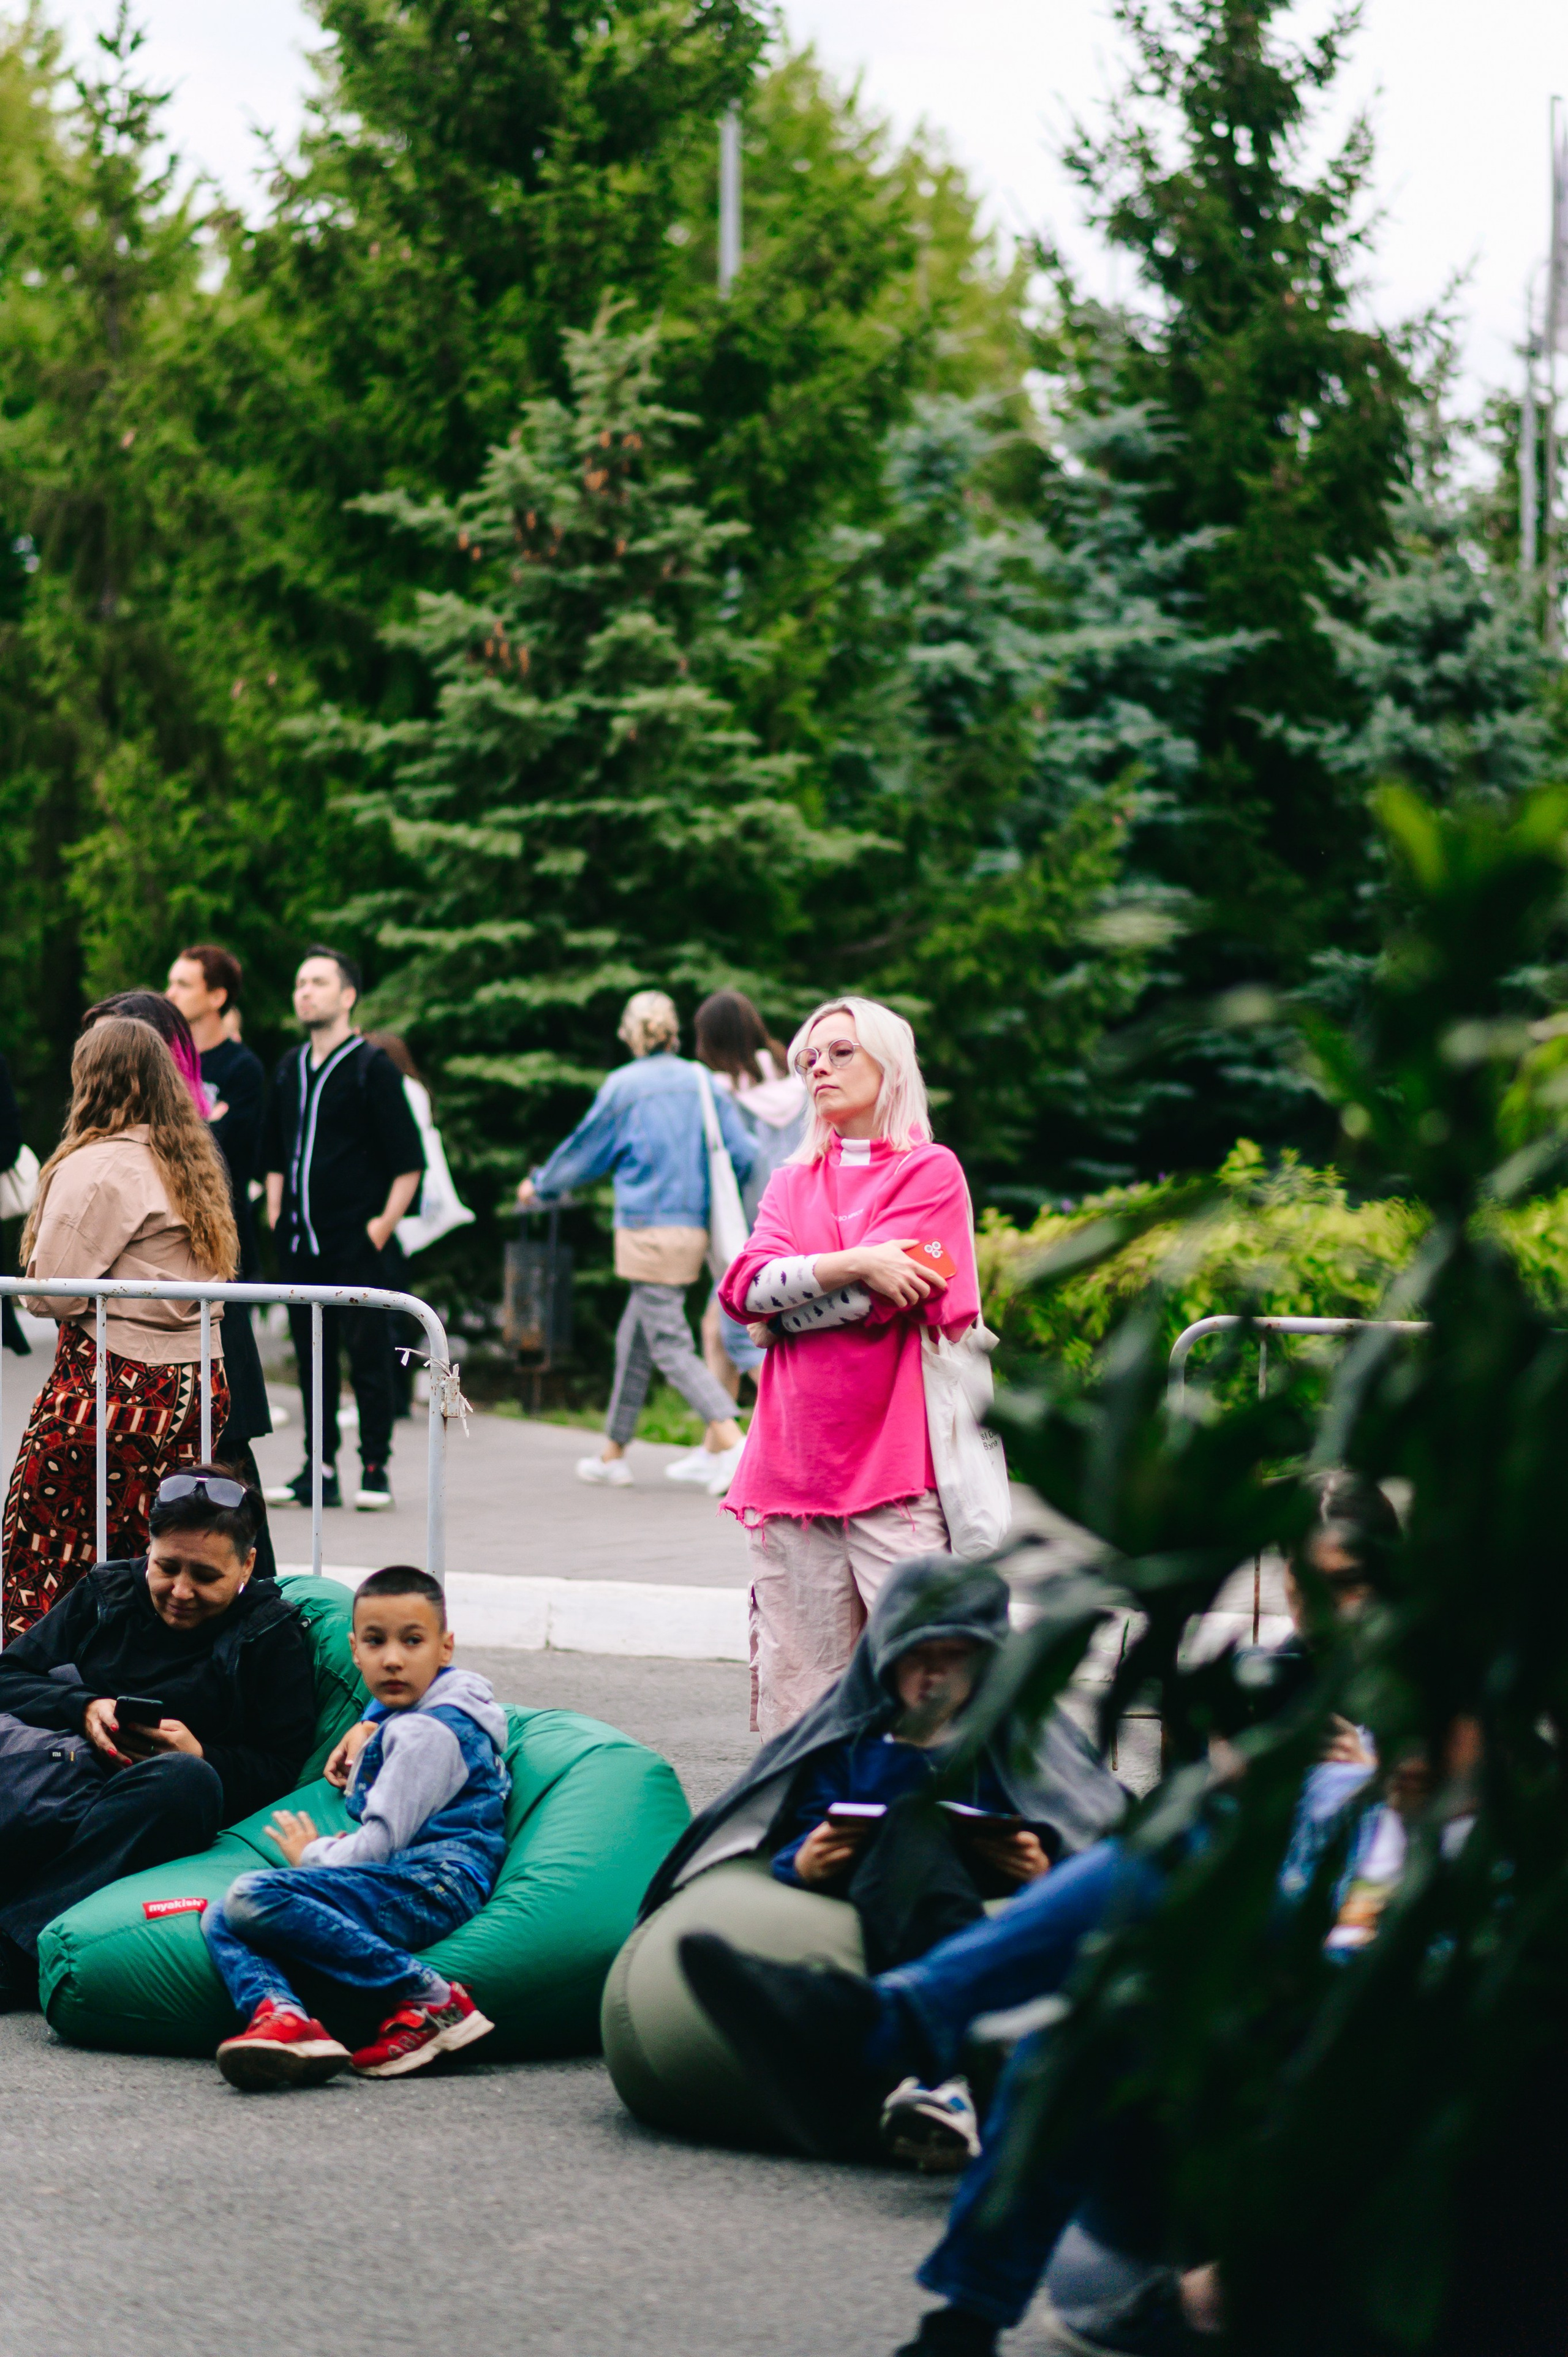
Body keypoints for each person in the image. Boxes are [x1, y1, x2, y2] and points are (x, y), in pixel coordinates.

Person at [679, 1474, 1402, 2357]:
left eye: (1352, 1585)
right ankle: (960, 2324)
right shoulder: (1276, 1678)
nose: (1328, 1613)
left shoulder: (1449, 1711)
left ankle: (896, 2024)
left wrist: (1371, 1769)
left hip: (1370, 1958)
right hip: (1271, 1936)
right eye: (1304, 1585)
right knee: (1083, 2024)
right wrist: (1239, 1769)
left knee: (1170, 1852)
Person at [641, 1552, 1126, 2171]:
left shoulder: (1019, 1741)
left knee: (916, 1825)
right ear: (885, 1656)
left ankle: (932, 2070)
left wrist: (1045, 1865)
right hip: (873, 1876)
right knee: (905, 1823)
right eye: (918, 1655)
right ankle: (959, 2066)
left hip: (985, 1875)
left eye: (956, 1656)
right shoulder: (850, 1741)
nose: (934, 1675)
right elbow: (793, 1827)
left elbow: (1080, 1822)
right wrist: (803, 1863)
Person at [715, 996, 979, 1739]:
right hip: (788, 1472)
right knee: (801, 1701)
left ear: (889, 1064)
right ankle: (811, 1843)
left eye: (840, 1053)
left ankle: (916, 1843)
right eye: (810, 1056)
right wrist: (857, 1261)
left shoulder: (931, 1171)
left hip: (894, 1471)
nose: (818, 1067)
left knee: (922, 1687)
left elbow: (900, 1296)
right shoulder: (790, 1180)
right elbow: (742, 1290)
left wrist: (786, 1307)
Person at [0, 1467, 315, 2010]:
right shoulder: (107, 1591)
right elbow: (9, 1676)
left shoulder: (270, 1634)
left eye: (206, 1576)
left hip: (150, 1805)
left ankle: (12, 1951)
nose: (181, 1591)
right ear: (148, 1549)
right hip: (59, 1771)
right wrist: (83, 1706)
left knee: (186, 1781)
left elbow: (285, 1769)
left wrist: (205, 1755)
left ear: (247, 1565)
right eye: (166, 1567)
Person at [203, 1563, 505, 2089]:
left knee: (253, 1895)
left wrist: (313, 1856)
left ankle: (430, 1997)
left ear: (445, 1647)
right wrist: (369, 1727)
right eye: (375, 1642)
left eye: (412, 1641)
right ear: (355, 1650)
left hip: (436, 1884)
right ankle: (283, 2018)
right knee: (219, 1915)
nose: (392, 1658)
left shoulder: (424, 1734)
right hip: (413, 1874)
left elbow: (379, 1847)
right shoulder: (418, 1712)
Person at [3, 1019, 239, 1640]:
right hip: (197, 1386)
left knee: (46, 1546)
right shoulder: (191, 1159)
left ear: (91, 1081)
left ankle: (39, 1694)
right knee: (157, 1555)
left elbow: (50, 1290)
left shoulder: (102, 1164)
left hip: (114, 1387)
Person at [517, 990, 757, 1495]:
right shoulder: (701, 1081)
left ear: (630, 1033)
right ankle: (613, 1453)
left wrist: (540, 1184)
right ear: (671, 1031)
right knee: (638, 1335)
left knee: (670, 1343)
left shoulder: (624, 1086)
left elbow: (585, 1149)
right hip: (693, 1230)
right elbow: (744, 1152)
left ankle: (734, 1442)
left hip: (646, 1231)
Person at [260, 948, 424, 1514]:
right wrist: (277, 1210)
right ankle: (319, 1469)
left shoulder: (370, 1067)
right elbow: (274, 1152)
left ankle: (374, 1467)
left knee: (368, 1354)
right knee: (312, 1359)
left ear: (347, 995)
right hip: (301, 1241)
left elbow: (410, 1160)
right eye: (301, 982)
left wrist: (379, 1228)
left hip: (358, 1242)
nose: (305, 991)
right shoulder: (288, 1067)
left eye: (319, 982)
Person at [663, 991, 807, 1488]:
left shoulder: (718, 1092)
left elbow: (730, 1159)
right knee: (713, 1328)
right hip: (797, 1211)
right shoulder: (793, 1079)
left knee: (735, 1332)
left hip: (746, 1222)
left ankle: (796, 1428)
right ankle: (713, 1445)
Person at [364, 1031, 475, 1421]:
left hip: (400, 1206)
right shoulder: (413, 1087)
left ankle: (393, 1397)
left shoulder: (400, 1088)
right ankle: (395, 1395)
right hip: (406, 1205)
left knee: (391, 1303)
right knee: (394, 1298)